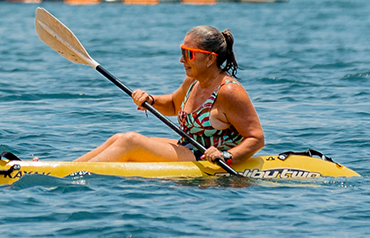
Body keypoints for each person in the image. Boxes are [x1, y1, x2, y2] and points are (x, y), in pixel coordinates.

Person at [72, 26, 264, 170]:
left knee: (131, 141)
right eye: (182, 51)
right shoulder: (192, 81)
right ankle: (65, 167)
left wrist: (226, 155)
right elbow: (173, 104)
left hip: (206, 160)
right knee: (119, 138)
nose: (181, 60)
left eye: (188, 54)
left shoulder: (229, 91)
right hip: (187, 149)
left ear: (210, 59)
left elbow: (256, 138)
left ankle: (74, 175)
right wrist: (150, 101)